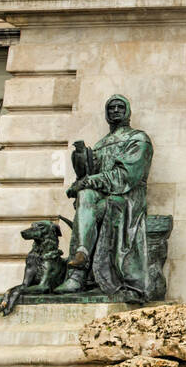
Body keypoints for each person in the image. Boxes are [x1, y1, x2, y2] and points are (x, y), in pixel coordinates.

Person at [56, 94, 156, 300]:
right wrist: (82, 166)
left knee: (96, 201)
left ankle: (78, 275)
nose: (116, 110)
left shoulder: (138, 139)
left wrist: (89, 181)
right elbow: (89, 177)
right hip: (99, 197)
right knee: (85, 195)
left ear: (128, 111)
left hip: (127, 198)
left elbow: (126, 177)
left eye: (120, 107)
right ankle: (80, 258)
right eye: (111, 108)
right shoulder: (101, 144)